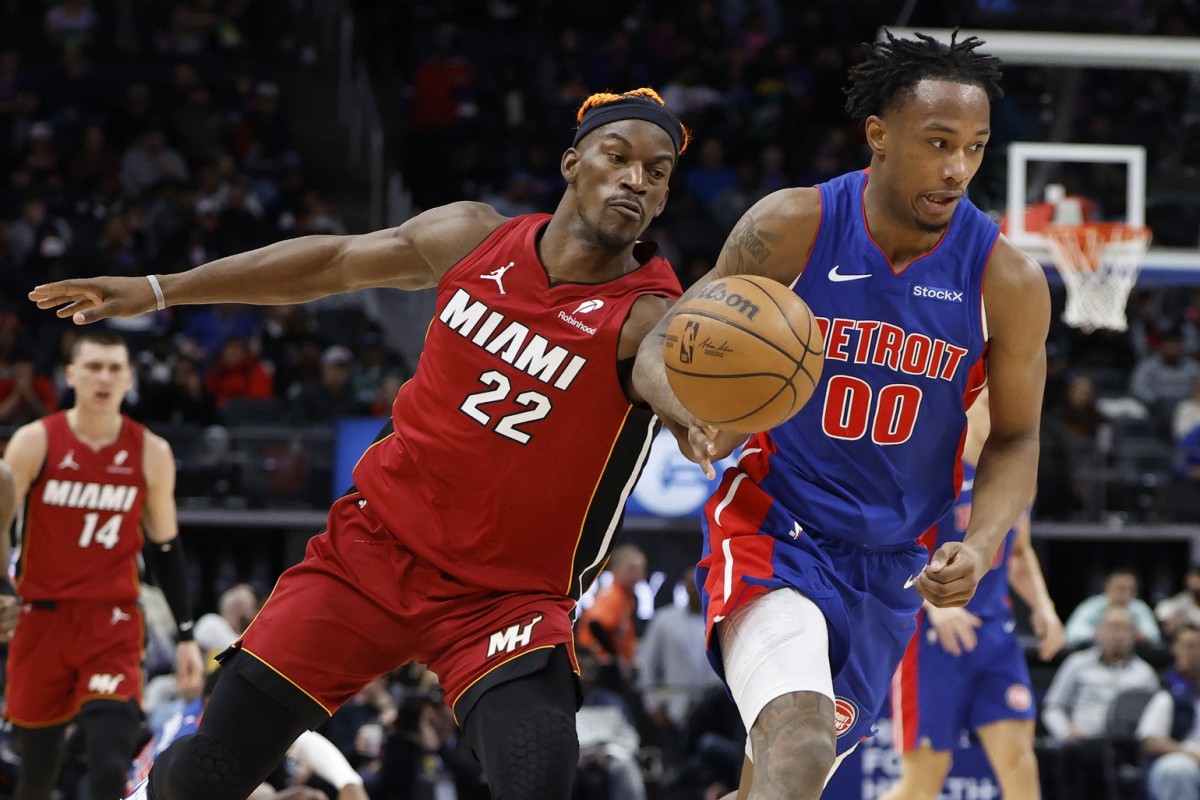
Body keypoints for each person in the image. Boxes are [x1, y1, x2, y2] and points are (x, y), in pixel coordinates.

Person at [31, 87, 689, 800]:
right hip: (369, 554)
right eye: (618, 157)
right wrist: (160, 290)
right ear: (572, 162)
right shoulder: (474, 236)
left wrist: (704, 416)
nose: (636, 180)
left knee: (537, 782)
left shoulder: (650, 317)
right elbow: (334, 262)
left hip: (506, 601)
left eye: (657, 174)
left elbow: (676, 382)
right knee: (204, 776)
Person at [633, 31, 1050, 799]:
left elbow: (1018, 437)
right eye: (938, 143)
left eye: (975, 147)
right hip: (773, 526)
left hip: (893, 565)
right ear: (879, 136)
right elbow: (667, 339)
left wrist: (983, 543)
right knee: (799, 739)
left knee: (777, 781)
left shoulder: (1007, 279)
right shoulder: (795, 224)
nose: (958, 168)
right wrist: (688, 409)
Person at [1, 329, 204, 800]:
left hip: (111, 621)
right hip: (40, 618)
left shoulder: (151, 452)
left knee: (111, 765)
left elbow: (166, 549)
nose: (104, 377)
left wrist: (186, 634)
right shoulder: (35, 441)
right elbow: (0, 526)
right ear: (71, 375)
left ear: (129, 378)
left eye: (115, 368)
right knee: (36, 775)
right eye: (93, 367)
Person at [881, 386, 1064, 800]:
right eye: (989, 403)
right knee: (923, 781)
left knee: (1019, 762)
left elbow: (1018, 551)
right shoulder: (931, 473)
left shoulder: (1018, 476)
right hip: (931, 639)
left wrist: (1044, 607)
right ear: (968, 408)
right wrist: (932, 603)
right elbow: (890, 551)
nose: (1003, 411)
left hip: (994, 634)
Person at [1137, 624, 1200, 800]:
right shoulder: (1167, 690)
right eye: (1189, 646)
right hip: (1181, 759)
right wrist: (1188, 754)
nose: (1194, 652)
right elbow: (1150, 740)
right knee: (1179, 770)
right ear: (1175, 650)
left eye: (1198, 646)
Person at [1063, 568, 1162, 647]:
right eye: (1121, 588)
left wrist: (1135, 635)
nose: (1126, 593)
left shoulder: (1139, 608)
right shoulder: (1092, 605)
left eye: (1131, 589)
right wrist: (1098, 634)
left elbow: (1154, 636)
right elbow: (1071, 633)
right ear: (1107, 588)